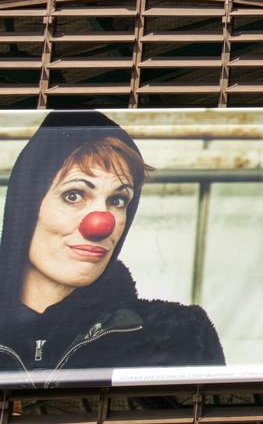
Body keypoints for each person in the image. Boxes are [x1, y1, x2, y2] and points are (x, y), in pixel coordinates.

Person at [0, 110, 224, 387]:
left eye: (117, 201)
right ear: (26, 207)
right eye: (74, 195)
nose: (100, 223)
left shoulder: (178, 336)